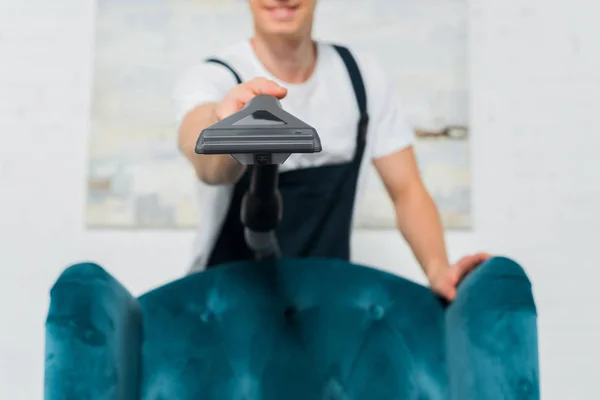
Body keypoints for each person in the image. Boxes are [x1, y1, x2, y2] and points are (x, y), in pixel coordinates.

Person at [173, 0, 490, 302]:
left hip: (324, 308)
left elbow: (407, 190)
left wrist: (438, 271)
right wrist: (228, 129)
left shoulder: (361, 78)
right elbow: (209, 165)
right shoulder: (214, 77)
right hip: (223, 306)